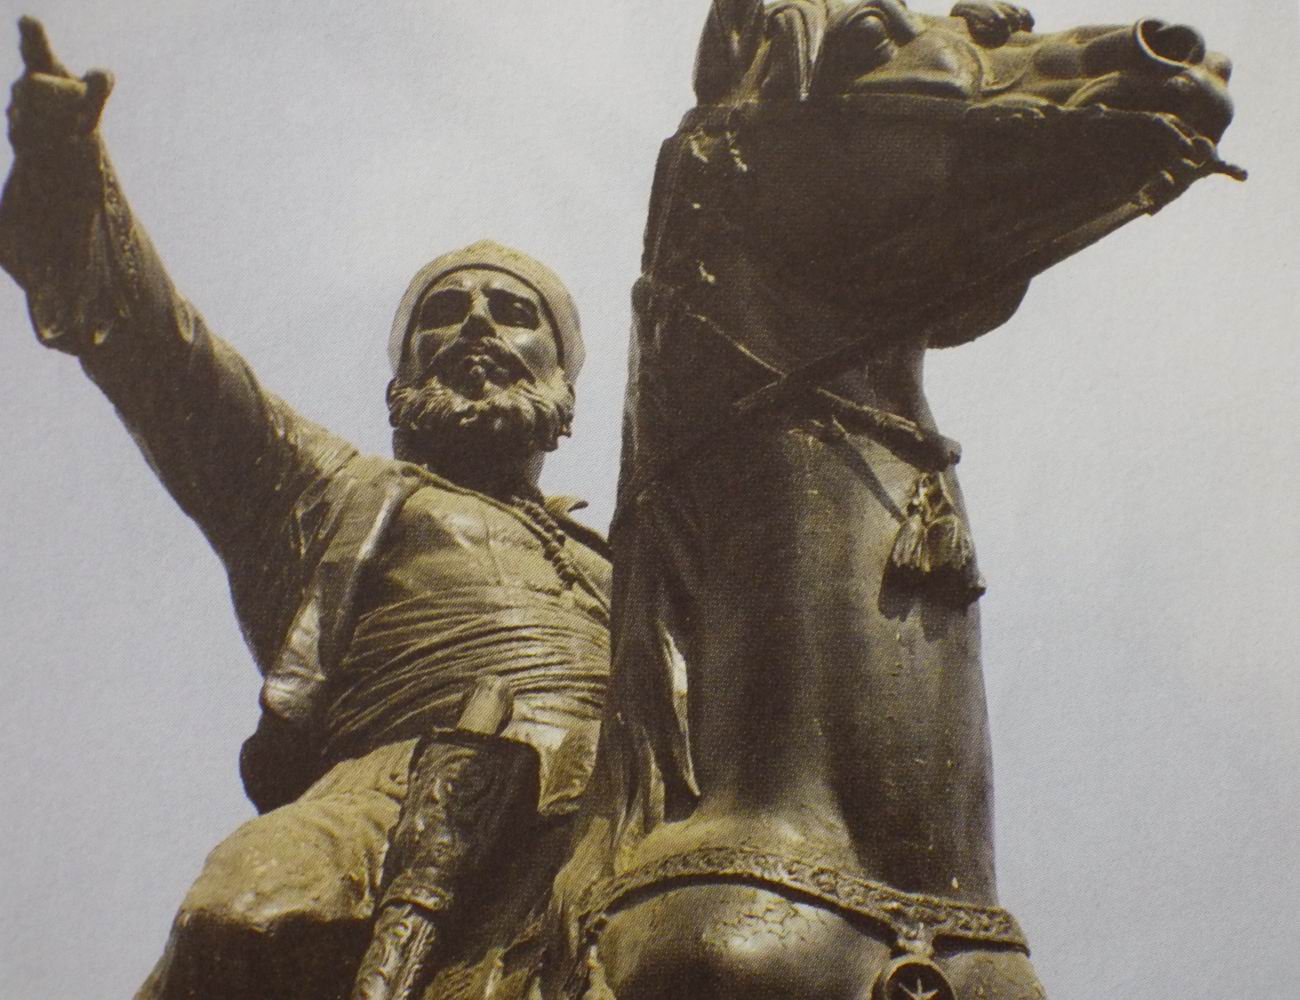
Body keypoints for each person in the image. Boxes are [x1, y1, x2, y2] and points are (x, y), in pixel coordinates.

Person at [0, 19, 611, 1000]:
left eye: (513, 312)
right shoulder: (333, 489)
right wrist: (73, 181)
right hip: (396, 785)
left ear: (564, 382)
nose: (476, 326)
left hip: (611, 789)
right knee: (246, 905)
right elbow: (171, 360)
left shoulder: (625, 556)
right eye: (444, 313)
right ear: (401, 376)